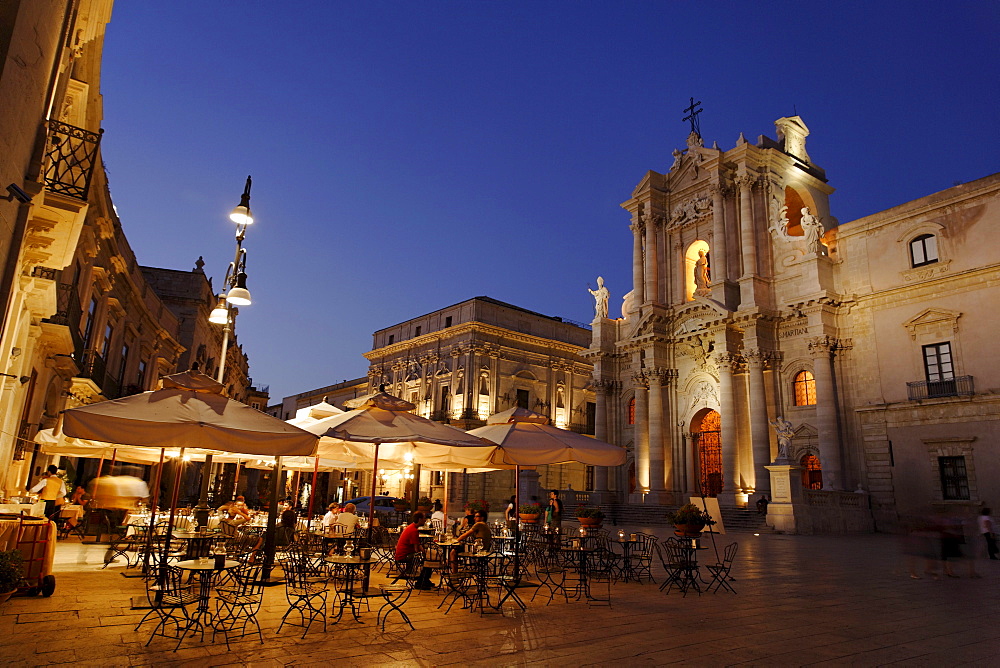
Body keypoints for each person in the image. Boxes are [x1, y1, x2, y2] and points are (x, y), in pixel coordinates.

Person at [395, 512, 433, 589]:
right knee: (429, 561)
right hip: (404, 556)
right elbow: (416, 549)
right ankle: (422, 582)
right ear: (419, 519)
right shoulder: (413, 531)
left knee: (428, 559)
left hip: (401, 554)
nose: (425, 520)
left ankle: (424, 580)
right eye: (424, 518)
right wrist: (425, 554)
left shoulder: (411, 527)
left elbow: (417, 545)